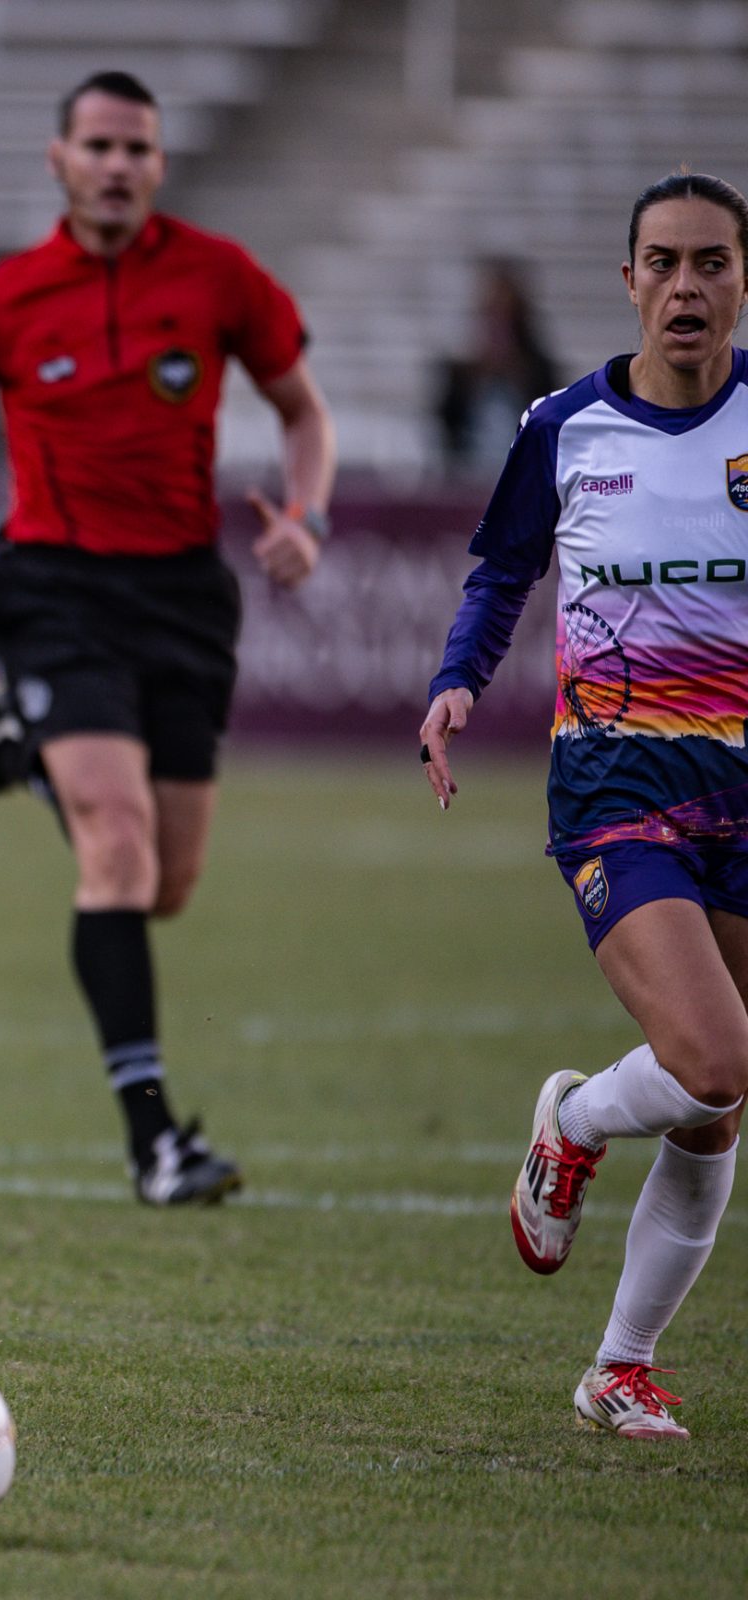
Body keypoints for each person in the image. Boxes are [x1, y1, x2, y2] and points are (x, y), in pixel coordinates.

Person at [0, 70, 338, 1205]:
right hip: (52, 588)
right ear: (58, 159)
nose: (115, 164)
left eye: (135, 147)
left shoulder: (218, 276)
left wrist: (307, 515)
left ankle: (14, 745)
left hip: (184, 595)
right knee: (115, 846)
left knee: (166, 884)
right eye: (95, 144)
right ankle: (155, 1142)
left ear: (157, 163)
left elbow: (303, 411)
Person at [423, 172, 748, 1441]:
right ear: (626, 282)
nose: (685, 286)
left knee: (718, 1108)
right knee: (714, 1056)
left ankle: (620, 1364)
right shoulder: (565, 424)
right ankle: (569, 1120)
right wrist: (456, 679)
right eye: (661, 262)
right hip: (616, 790)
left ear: (739, 277)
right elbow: (503, 567)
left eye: (710, 262)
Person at [435, 261, 562, 476]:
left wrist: (517, 376)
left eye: (505, 317)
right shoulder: (460, 374)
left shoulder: (540, 372)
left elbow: (552, 426)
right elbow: (445, 430)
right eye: (491, 316)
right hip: (468, 476)